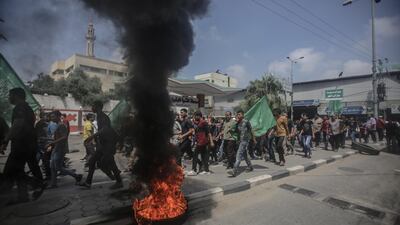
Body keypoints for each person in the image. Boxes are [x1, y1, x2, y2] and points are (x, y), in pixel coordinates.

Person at [0, 88, 45, 204]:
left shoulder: (20, 108)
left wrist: (5, 141)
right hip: (28, 144)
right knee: (18, 172)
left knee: (10, 172)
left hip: (21, 145)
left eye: (10, 95)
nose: (9, 98)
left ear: (16, 96)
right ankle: (22, 196)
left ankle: (37, 183)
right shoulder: (27, 108)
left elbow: (17, 125)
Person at [79, 100, 123, 189]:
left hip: (108, 144)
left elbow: (105, 129)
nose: (92, 108)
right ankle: (88, 183)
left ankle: (119, 181)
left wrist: (92, 136)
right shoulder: (98, 116)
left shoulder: (103, 116)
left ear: (98, 107)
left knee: (111, 163)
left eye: (93, 106)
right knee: (92, 161)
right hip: (102, 145)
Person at [45, 111, 82, 188]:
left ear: (58, 116)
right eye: (51, 117)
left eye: (53, 117)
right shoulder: (57, 125)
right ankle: (53, 183)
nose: (51, 118)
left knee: (58, 167)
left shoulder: (61, 125)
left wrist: (52, 143)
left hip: (60, 149)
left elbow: (64, 137)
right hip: (56, 148)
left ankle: (76, 176)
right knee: (52, 167)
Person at [229, 110, 255, 177]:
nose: (238, 115)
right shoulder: (237, 123)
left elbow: (251, 130)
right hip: (239, 141)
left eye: (239, 114)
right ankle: (250, 166)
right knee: (245, 154)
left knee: (239, 155)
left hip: (245, 141)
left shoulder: (246, 122)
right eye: (237, 114)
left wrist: (254, 139)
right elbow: (233, 130)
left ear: (243, 115)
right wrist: (235, 122)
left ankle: (234, 170)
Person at [187, 111, 213, 176]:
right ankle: (206, 170)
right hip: (200, 142)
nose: (194, 117)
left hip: (203, 142)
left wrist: (211, 142)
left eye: (195, 116)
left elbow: (209, 132)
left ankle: (194, 170)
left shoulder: (204, 123)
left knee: (195, 155)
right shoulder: (198, 123)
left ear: (198, 116)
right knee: (204, 156)